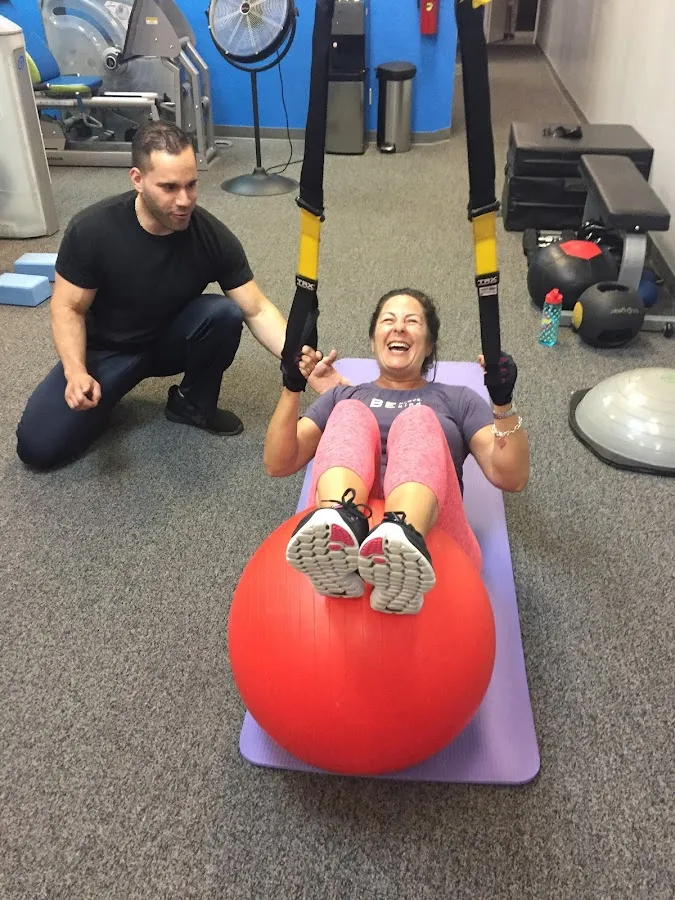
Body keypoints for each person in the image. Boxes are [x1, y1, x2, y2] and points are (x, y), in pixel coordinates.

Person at [16, 121, 339, 470]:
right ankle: (106, 396)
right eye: (169, 187)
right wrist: (76, 371)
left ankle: (191, 404)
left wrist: (299, 359)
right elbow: (68, 308)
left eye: (191, 185)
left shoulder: (209, 235)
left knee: (224, 314)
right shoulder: (92, 230)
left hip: (166, 341)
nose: (184, 201)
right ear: (137, 179)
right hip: (106, 351)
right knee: (38, 448)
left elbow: (257, 309)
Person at [264, 288, 530, 615]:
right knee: (349, 412)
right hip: (342, 545)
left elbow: (511, 476)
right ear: (373, 340)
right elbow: (278, 463)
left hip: (434, 546)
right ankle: (337, 528)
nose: (399, 328)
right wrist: (292, 386)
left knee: (418, 419)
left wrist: (502, 401)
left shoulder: (458, 399)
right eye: (388, 320)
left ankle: (402, 539)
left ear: (429, 345)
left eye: (412, 322)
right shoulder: (342, 395)